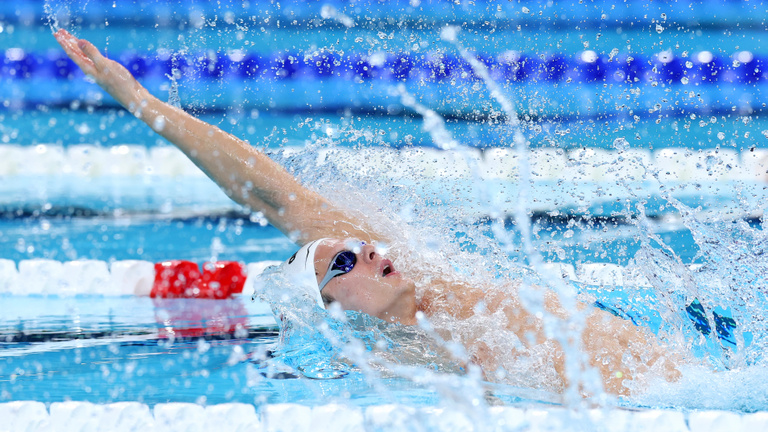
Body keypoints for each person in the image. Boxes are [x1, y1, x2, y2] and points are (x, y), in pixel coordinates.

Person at [54, 28, 681, 395]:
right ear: (332, 304)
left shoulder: (426, 274)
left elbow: (266, 193)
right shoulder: (400, 361)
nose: (373, 250)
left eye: (356, 245)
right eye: (347, 260)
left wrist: (138, 100)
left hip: (677, 368)